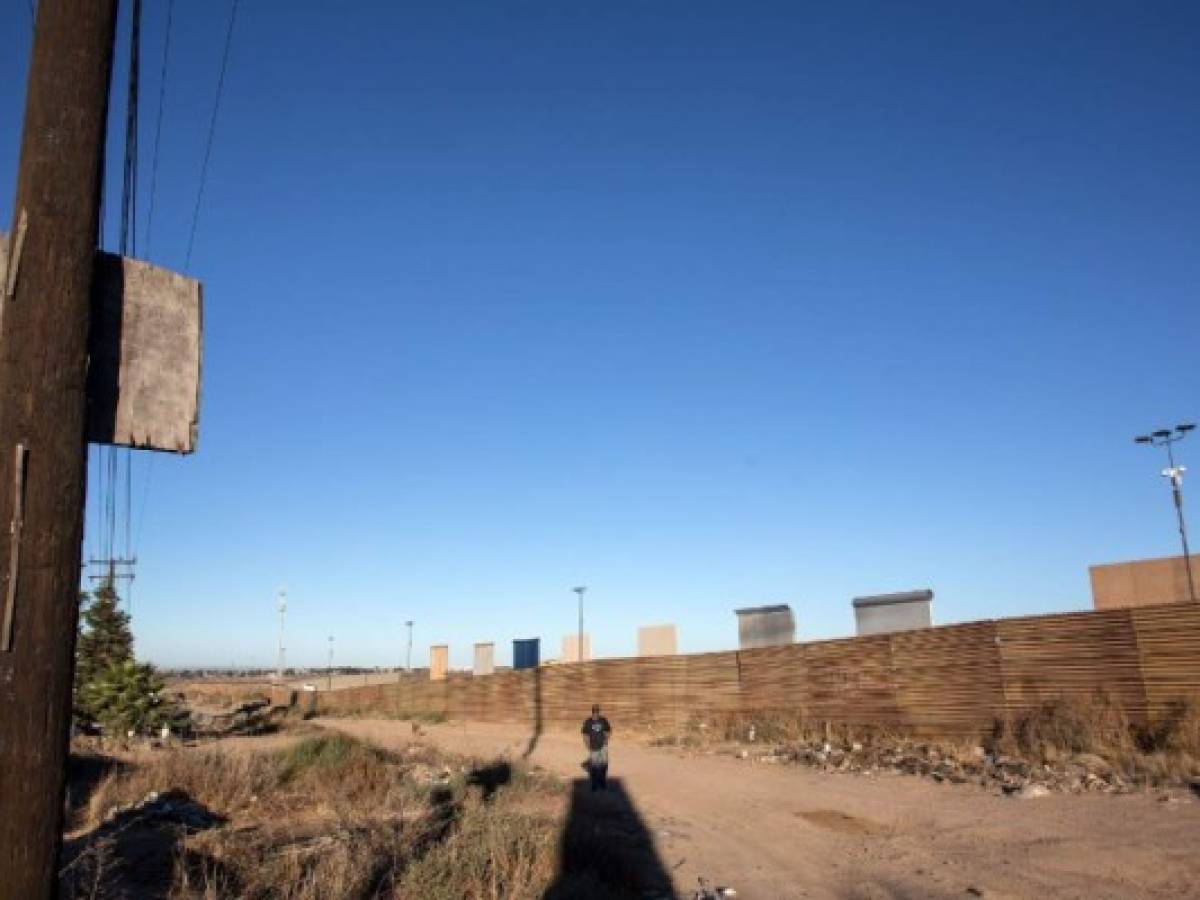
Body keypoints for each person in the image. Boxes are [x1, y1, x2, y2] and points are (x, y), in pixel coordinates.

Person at [581, 703, 612, 791]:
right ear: (592, 712)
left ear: (599, 712)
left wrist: (606, 739)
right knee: (594, 766)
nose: (596, 713)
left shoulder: (603, 720)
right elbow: (585, 734)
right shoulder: (588, 721)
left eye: (597, 711)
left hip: (603, 746)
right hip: (593, 746)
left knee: (604, 764)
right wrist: (587, 745)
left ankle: (602, 782)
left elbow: (608, 730)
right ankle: (594, 784)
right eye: (595, 712)